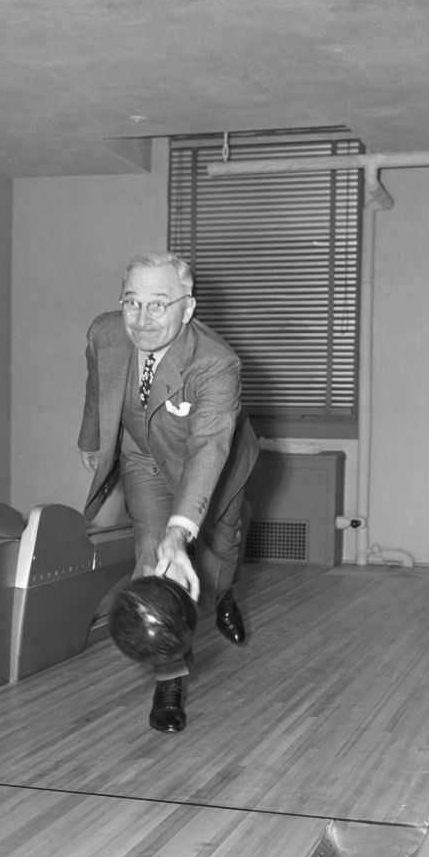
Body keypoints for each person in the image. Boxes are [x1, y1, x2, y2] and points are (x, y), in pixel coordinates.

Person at [79, 251, 259, 732]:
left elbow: (208, 448)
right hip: (143, 457)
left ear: (188, 307)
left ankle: (222, 596)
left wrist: (183, 533)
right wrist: (93, 439)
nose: (141, 318)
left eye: (159, 305)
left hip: (214, 469)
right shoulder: (105, 332)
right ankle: (170, 680)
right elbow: (99, 385)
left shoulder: (217, 364)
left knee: (217, 556)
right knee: (152, 556)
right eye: (131, 302)